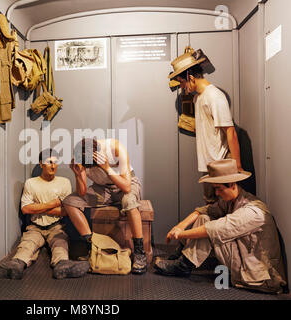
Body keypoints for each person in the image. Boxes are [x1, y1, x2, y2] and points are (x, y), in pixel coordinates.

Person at [154, 159, 287, 294]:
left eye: (219, 189)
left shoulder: (252, 212)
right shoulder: (235, 199)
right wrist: (180, 226)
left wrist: (178, 235)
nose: (216, 193)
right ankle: (181, 257)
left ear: (232, 185)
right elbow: (205, 210)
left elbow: (214, 229)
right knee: (204, 218)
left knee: (209, 228)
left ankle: (183, 265)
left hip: (260, 278)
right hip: (245, 261)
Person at [0, 149, 90, 280]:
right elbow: (26, 209)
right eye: (49, 162)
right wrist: (54, 203)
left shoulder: (64, 182)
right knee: (27, 244)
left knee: (60, 244)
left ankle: (62, 266)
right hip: (35, 226)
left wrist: (38, 206)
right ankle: (15, 266)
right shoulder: (31, 183)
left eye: (56, 162)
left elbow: (65, 211)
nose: (53, 166)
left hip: (57, 225)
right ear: (41, 164)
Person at [168, 47, 243, 204]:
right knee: (211, 206)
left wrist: (237, 167)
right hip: (210, 166)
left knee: (225, 208)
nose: (182, 87)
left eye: (182, 82)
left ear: (190, 77)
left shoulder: (214, 96)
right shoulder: (199, 98)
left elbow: (230, 131)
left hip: (221, 164)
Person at [62, 138, 147, 274]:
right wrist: (77, 175)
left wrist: (107, 167)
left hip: (125, 183)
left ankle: (139, 252)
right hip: (102, 188)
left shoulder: (115, 147)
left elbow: (126, 187)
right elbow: (82, 192)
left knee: (129, 201)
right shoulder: (81, 156)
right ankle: (92, 245)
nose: (93, 169)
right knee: (69, 201)